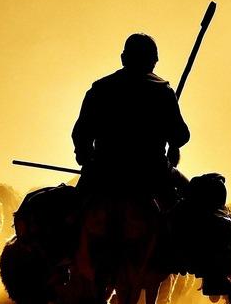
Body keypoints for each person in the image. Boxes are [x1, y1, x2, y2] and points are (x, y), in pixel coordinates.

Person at [72, 33, 190, 196]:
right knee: (195, 200)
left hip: (102, 172)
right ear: (153, 61)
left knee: (70, 213)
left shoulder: (100, 89)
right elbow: (181, 136)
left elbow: (80, 134)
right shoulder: (163, 91)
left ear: (123, 58)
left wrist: (84, 158)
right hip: (153, 173)